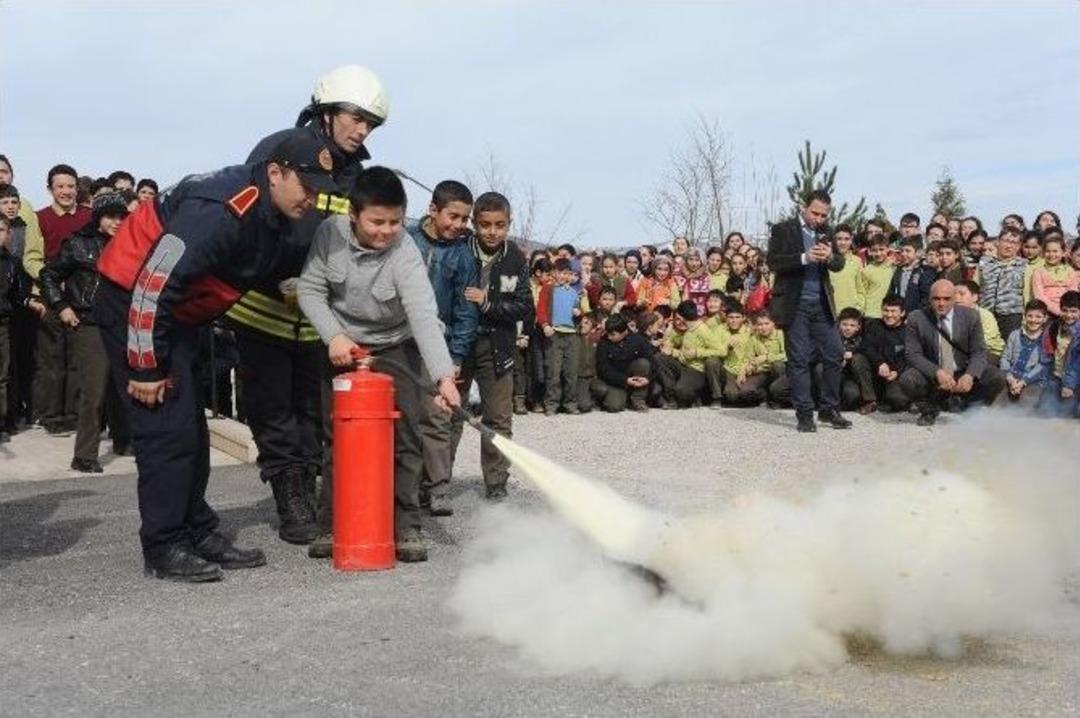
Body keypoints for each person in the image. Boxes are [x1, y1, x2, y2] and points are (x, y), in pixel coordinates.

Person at [93, 130, 338, 581]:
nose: (314, 200)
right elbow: (154, 284)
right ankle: (164, 544)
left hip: (177, 314)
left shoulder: (276, 212)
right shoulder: (221, 210)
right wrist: (146, 367)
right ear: (275, 173)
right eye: (308, 187)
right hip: (136, 305)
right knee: (166, 427)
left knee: (191, 427)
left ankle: (197, 530)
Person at [239, 65, 391, 550]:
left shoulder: (356, 177)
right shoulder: (277, 149)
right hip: (263, 307)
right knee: (274, 408)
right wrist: (272, 271)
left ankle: (311, 488)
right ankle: (292, 499)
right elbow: (249, 220)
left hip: (318, 321)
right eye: (355, 117)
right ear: (326, 110)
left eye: (371, 123)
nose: (361, 130)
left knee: (312, 408)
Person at [299, 165, 460, 563]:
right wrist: (333, 336)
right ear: (353, 214)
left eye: (395, 221)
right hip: (342, 345)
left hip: (395, 346)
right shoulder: (329, 234)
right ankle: (331, 524)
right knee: (337, 437)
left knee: (405, 437)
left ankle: (406, 526)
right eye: (376, 221)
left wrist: (443, 376)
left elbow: (423, 313)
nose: (386, 231)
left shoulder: (405, 251)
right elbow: (310, 288)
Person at [449, 191, 532, 501]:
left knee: (498, 417)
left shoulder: (517, 258)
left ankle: (496, 482)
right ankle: (438, 483)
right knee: (450, 414)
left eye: (500, 225)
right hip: (459, 343)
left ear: (509, 224)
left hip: (497, 346)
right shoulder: (459, 250)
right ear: (475, 223)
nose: (492, 232)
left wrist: (488, 303)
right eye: (485, 225)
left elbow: (525, 306)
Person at [39, 193, 130, 472]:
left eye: (121, 216)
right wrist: (62, 306)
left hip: (121, 323)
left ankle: (123, 441)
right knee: (94, 390)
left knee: (121, 386)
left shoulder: (129, 244)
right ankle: (84, 456)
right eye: (110, 216)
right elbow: (48, 275)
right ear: (98, 217)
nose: (116, 222)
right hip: (89, 323)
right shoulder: (78, 243)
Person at [766, 189, 851, 432]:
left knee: (835, 353)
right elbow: (773, 262)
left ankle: (828, 409)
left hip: (822, 304)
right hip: (795, 305)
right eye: (815, 213)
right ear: (804, 207)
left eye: (824, 215)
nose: (819, 219)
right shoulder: (783, 229)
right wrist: (804, 257)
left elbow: (839, 264)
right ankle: (804, 414)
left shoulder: (826, 232)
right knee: (799, 360)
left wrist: (830, 256)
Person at [29, 164, 91, 434]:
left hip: (82, 297)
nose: (66, 191)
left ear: (78, 188)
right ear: (50, 189)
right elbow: (31, 257)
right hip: (50, 297)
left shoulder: (90, 217)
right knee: (52, 360)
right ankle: (53, 418)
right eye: (60, 186)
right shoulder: (38, 218)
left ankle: (76, 416)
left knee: (79, 359)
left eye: (70, 186)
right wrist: (49, 278)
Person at [900, 279, 1005, 426]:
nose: (941, 303)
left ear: (954, 298)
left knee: (997, 376)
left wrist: (970, 375)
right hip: (934, 371)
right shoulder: (916, 318)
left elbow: (979, 351)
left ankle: (970, 405)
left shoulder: (971, 316)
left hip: (962, 369)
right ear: (929, 299)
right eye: (936, 299)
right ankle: (929, 410)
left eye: (946, 299)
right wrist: (937, 372)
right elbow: (913, 354)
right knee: (908, 379)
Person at [536, 257, 585, 415]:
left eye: (568, 273)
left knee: (571, 372)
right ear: (554, 273)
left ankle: (570, 403)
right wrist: (545, 325)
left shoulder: (575, 292)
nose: (565, 277)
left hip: (572, 335)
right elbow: (541, 309)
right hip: (554, 334)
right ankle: (551, 404)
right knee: (553, 371)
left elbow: (580, 312)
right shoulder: (548, 289)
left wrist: (579, 313)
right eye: (561, 273)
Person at [859, 295, 912, 413]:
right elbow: (866, 347)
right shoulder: (873, 325)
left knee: (898, 400)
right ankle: (870, 401)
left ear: (902, 313)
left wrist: (897, 371)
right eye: (886, 310)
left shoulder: (908, 332)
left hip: (895, 375)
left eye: (893, 311)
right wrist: (880, 363)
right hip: (875, 372)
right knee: (858, 358)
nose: (889, 315)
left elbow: (911, 357)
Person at [592, 314, 653, 412]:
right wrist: (625, 380)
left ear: (624, 332)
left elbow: (652, 361)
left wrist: (648, 378)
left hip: (635, 377)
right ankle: (623, 398)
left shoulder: (638, 339)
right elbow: (603, 369)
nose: (609, 337)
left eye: (613, 334)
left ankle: (638, 399)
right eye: (608, 333)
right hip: (615, 381)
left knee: (643, 363)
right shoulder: (604, 343)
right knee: (613, 406)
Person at [977, 225, 1027, 339]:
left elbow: (1027, 294)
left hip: (1012, 315)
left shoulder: (1024, 265)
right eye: (1006, 241)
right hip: (986, 313)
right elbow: (976, 287)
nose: (1009, 245)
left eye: (1014, 243)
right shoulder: (984, 263)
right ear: (998, 242)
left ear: (1019, 246)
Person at [1036, 290, 1080, 418]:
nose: (1068, 315)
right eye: (1065, 310)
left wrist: (1069, 386)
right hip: (1056, 376)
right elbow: (1047, 355)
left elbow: (1076, 362)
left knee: (1072, 415)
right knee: (1044, 411)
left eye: (1073, 311)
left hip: (1075, 381)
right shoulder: (1054, 327)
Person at [999, 299, 1051, 408]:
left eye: (1038, 317)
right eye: (1030, 316)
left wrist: (1023, 382)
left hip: (1033, 382)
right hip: (1011, 379)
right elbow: (1005, 358)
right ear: (1025, 316)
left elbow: (1043, 365)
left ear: (1045, 319)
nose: (1033, 320)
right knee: (997, 410)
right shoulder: (1015, 335)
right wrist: (1010, 379)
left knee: (1022, 413)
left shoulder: (1046, 339)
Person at [835, 307, 878, 413]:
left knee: (851, 395)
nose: (848, 328)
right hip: (836, 375)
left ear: (858, 327)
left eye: (852, 325)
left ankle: (869, 401)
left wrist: (852, 353)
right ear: (839, 324)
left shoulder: (863, 340)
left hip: (853, 379)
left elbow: (868, 351)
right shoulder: (833, 338)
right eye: (844, 324)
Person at [744, 312, 790, 407]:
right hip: (762, 371)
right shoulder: (754, 338)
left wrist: (766, 357)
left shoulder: (781, 335)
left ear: (773, 324)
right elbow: (749, 358)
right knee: (745, 391)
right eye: (760, 324)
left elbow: (787, 355)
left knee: (777, 365)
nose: (763, 327)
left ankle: (777, 399)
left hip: (779, 370)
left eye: (766, 324)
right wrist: (748, 367)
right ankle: (764, 397)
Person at [954, 280, 1005, 364]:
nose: (957, 298)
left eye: (961, 294)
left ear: (975, 297)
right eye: (954, 294)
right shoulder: (953, 314)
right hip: (965, 352)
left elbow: (988, 342)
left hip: (990, 352)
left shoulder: (985, 315)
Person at [1031, 236, 1078, 317]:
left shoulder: (1070, 271)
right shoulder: (1038, 272)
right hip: (1046, 313)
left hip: (1068, 313)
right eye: (1048, 251)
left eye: (1055, 251)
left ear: (1063, 253)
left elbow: (1073, 294)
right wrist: (1058, 312)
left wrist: (1066, 312)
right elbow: (1039, 296)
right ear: (1043, 253)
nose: (1051, 254)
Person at [888, 236, 934, 314]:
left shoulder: (924, 271)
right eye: (902, 251)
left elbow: (926, 298)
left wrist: (917, 315)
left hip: (916, 316)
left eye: (908, 251)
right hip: (899, 315)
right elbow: (892, 291)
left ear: (918, 252)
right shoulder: (898, 270)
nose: (903, 254)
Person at [857, 234, 894, 319]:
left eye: (881, 249)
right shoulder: (866, 270)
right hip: (871, 314)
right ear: (869, 251)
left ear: (888, 249)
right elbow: (862, 294)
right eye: (874, 250)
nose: (878, 253)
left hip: (890, 315)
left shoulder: (893, 268)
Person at [829, 224, 862, 314]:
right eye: (839, 239)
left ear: (851, 240)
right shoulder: (827, 260)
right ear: (834, 240)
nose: (843, 243)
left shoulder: (857, 261)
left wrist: (859, 308)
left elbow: (860, 289)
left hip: (851, 313)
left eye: (846, 239)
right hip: (830, 313)